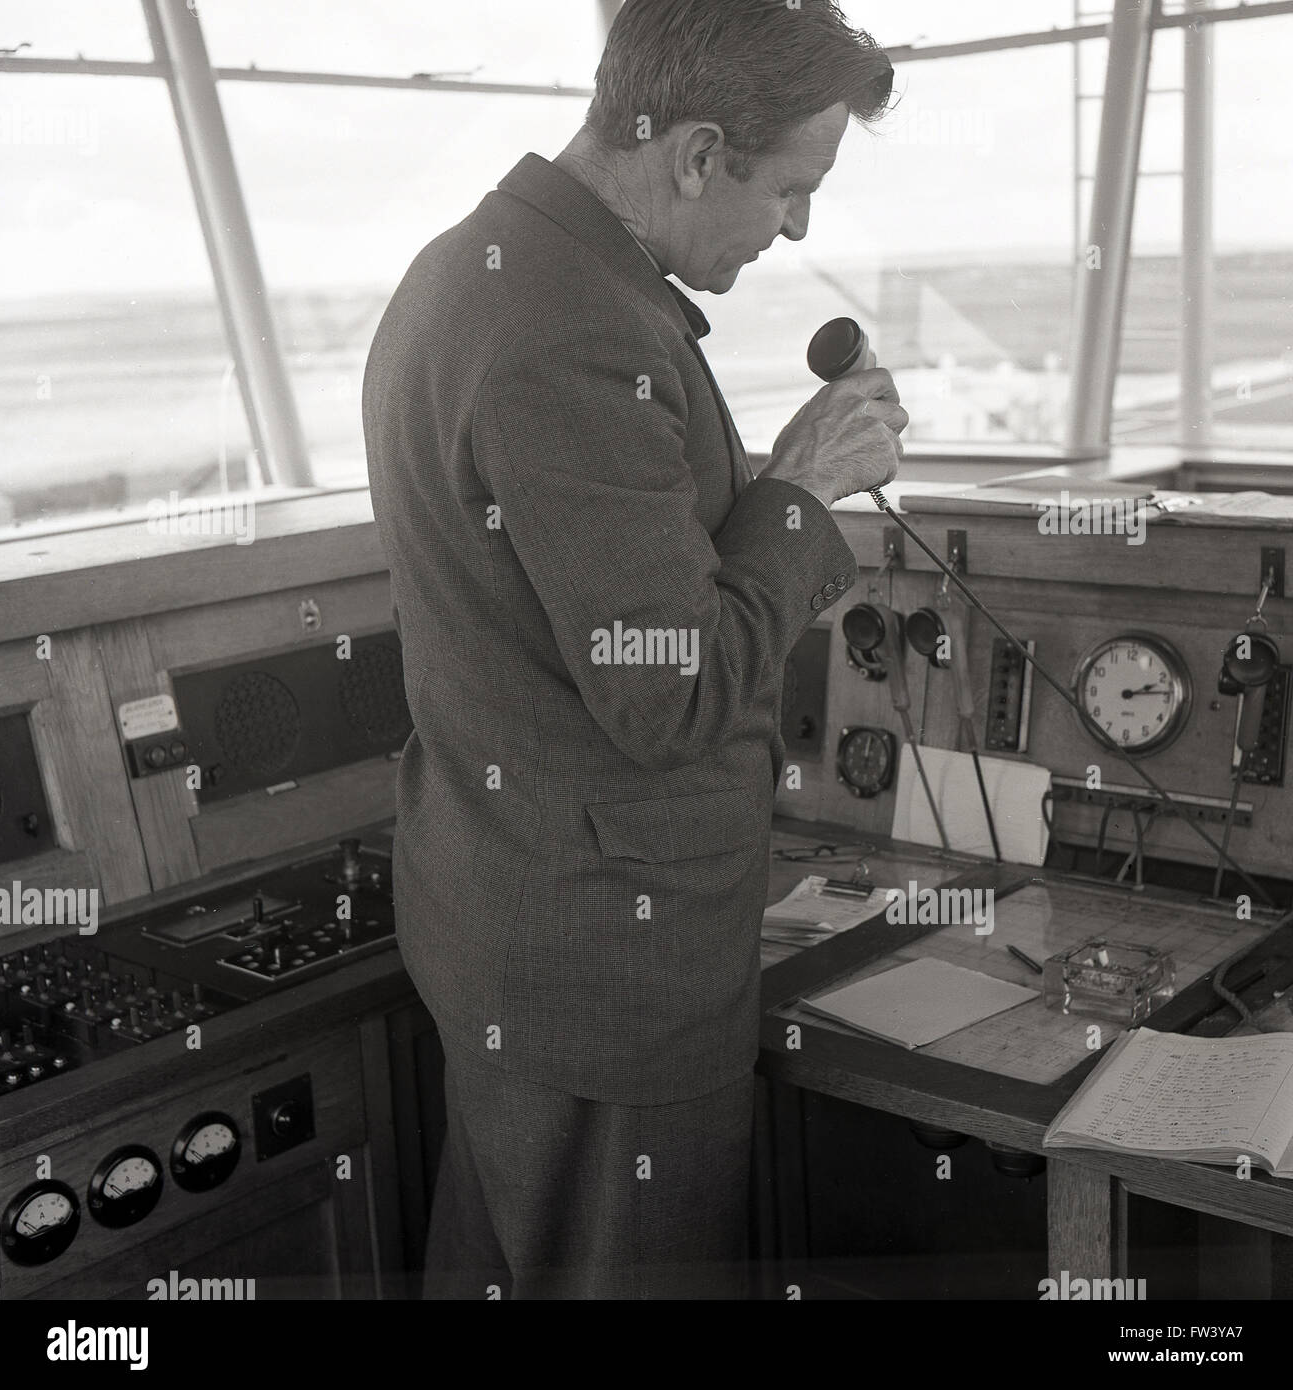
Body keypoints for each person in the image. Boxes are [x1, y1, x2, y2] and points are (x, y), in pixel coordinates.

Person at [364, 0, 905, 1299]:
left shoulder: (480, 268)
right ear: (701, 152)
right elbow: (670, 689)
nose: (797, 230)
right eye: (793, 188)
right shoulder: (574, 334)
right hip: (607, 975)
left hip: (518, 922)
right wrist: (805, 491)